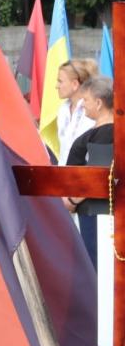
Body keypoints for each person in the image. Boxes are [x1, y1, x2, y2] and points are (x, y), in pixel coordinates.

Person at [65, 76, 113, 268]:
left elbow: (99, 175)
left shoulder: (103, 134)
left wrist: (71, 200)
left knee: (99, 271)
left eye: (86, 100)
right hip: (96, 213)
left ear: (99, 103)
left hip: (97, 216)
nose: (82, 104)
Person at [56, 58, 98, 165]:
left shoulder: (92, 110)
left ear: (75, 84)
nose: (56, 86)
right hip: (63, 175)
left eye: (60, 81)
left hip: (84, 176)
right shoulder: (63, 110)